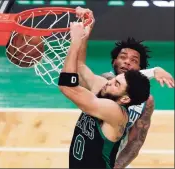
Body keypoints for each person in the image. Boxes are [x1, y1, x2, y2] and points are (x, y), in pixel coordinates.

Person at [74, 6, 174, 169]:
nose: (127, 62)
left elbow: (137, 140)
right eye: (122, 57)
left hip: (114, 159)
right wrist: (85, 30)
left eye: (134, 60)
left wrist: (117, 166)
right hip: (88, 156)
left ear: (139, 70)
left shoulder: (146, 102)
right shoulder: (105, 82)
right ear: (114, 62)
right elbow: (79, 67)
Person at [58, 22, 151, 168]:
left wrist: (75, 41)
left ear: (125, 98)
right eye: (114, 79)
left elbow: (67, 86)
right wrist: (84, 37)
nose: (109, 82)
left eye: (116, 84)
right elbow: (80, 66)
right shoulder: (107, 90)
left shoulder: (114, 111)